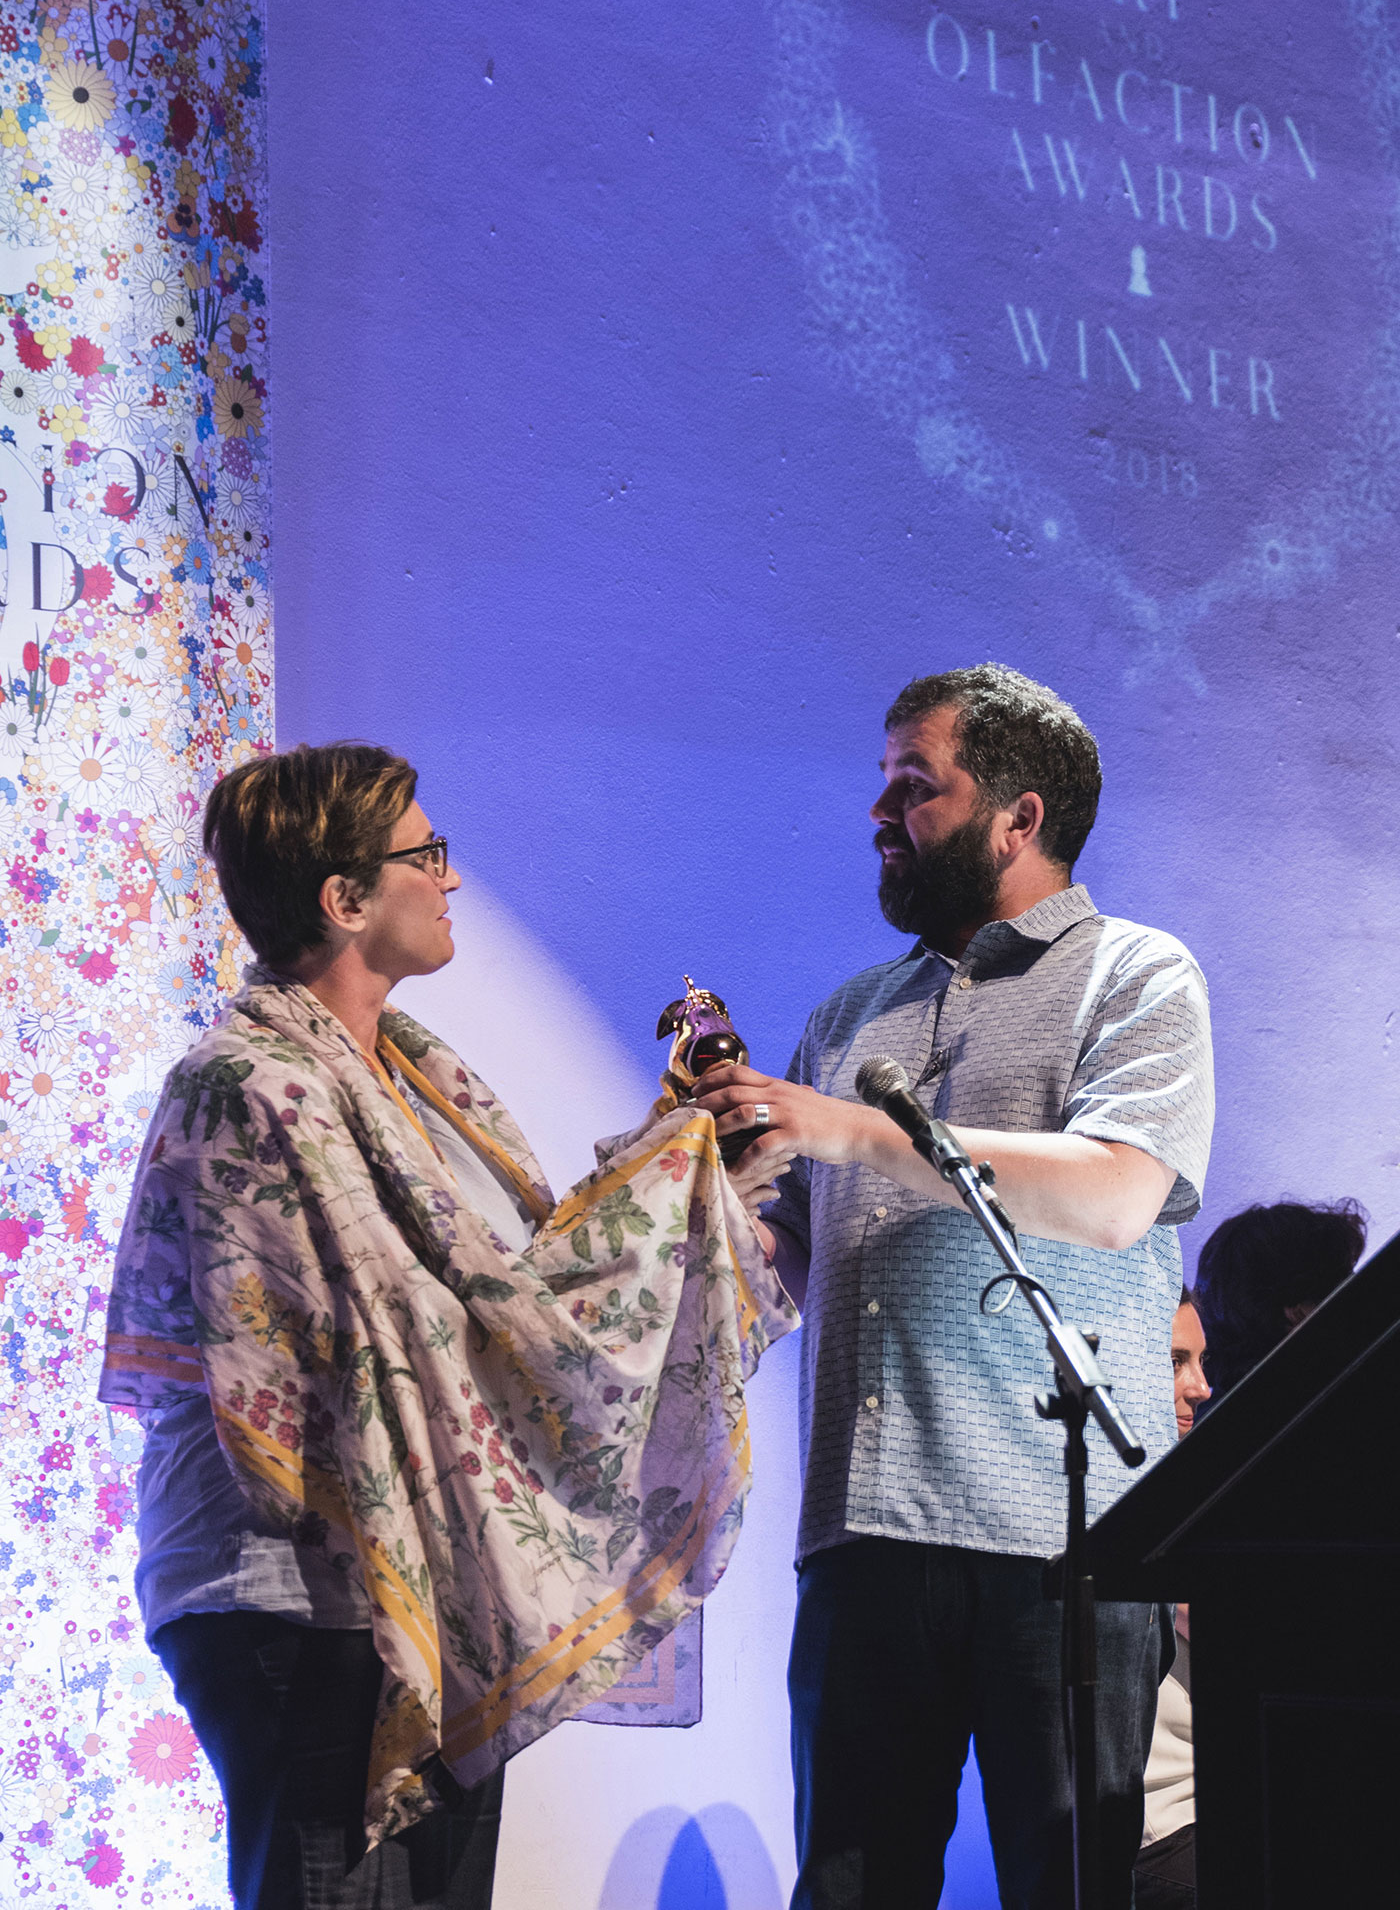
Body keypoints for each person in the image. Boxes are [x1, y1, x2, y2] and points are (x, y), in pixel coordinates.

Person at [99, 744, 792, 1910]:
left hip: (418, 1586)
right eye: (427, 854)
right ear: (345, 899)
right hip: (293, 1599)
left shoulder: (416, 1080)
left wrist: (679, 1180)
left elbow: (495, 1294)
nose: (451, 879)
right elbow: (396, 1333)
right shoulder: (247, 1084)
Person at [693, 663, 1214, 1910]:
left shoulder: (1135, 975)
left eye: (914, 786)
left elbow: (1116, 1191)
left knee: (1071, 1885)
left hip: (1061, 1542)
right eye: (882, 784)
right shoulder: (849, 1014)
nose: (880, 811)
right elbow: (803, 1260)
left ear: (1018, 817)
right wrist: (700, 1213)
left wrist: (851, 1128)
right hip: (864, 1536)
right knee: (848, 1888)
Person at [1134, 1290, 1211, 1910]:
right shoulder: (1128, 1512)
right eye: (1176, 1363)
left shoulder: (1181, 1494)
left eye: (1202, 1363)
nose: (1202, 1387)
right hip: (1162, 1833)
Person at [1192, 1198, 1368, 1399]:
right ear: (1298, 1312)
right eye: (1343, 1283)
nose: (1360, 1299)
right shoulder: (1357, 1396)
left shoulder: (1211, 1422)